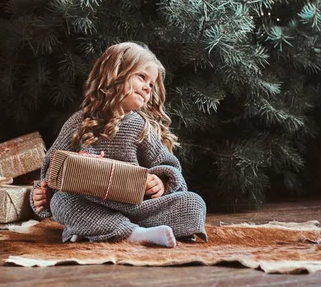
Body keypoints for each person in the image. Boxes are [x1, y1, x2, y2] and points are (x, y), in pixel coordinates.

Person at [30, 42, 207, 247]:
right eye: (141, 77)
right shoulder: (79, 123)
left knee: (194, 203)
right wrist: (42, 194)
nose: (148, 87)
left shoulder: (141, 128)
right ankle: (134, 233)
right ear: (114, 74)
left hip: (136, 208)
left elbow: (172, 169)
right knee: (62, 202)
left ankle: (102, 230)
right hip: (90, 204)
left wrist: (160, 181)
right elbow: (51, 171)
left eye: (151, 83)